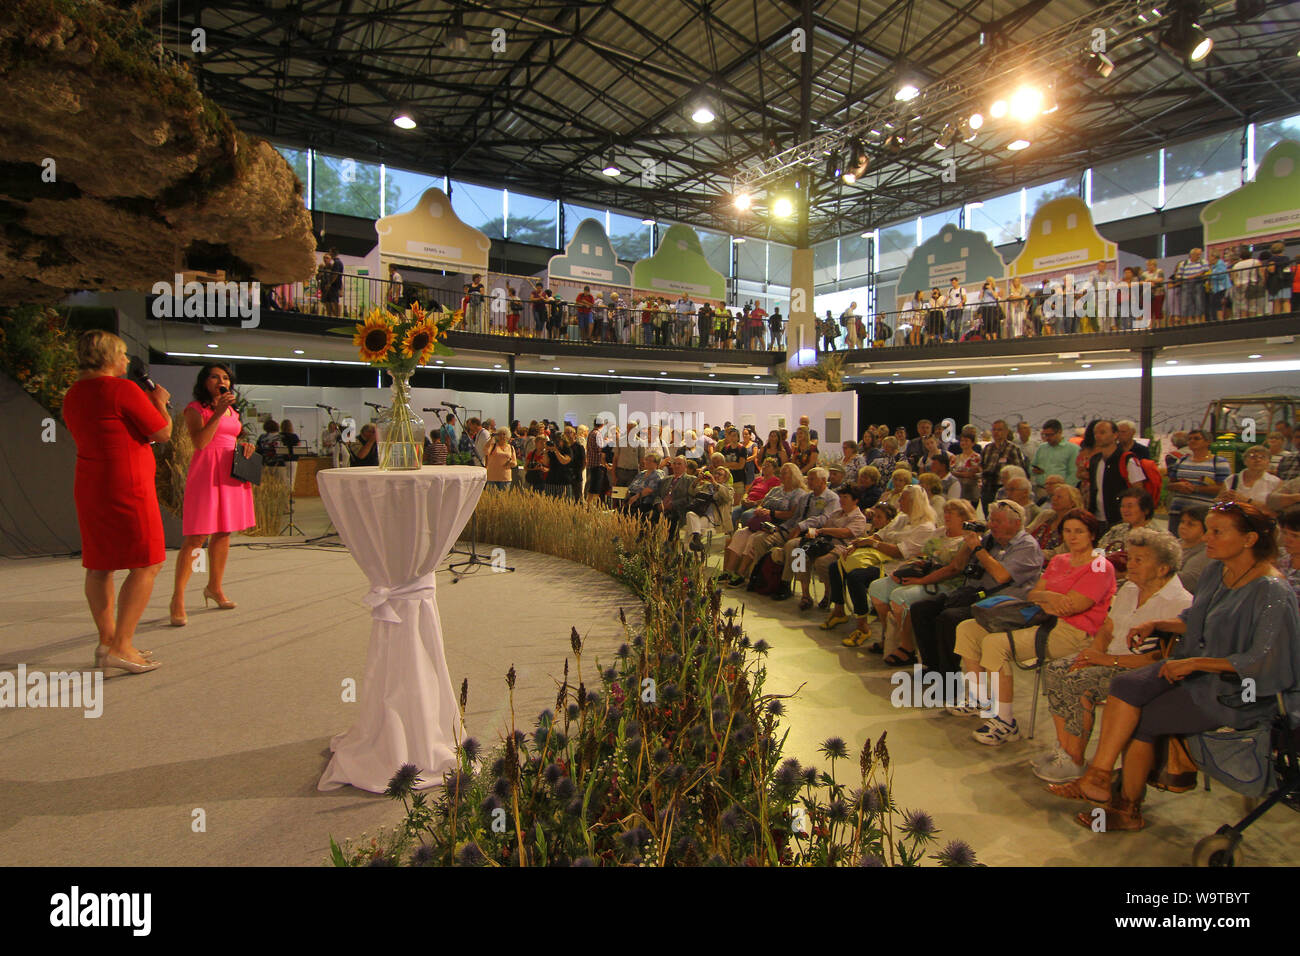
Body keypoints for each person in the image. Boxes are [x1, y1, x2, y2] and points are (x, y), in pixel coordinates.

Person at [1049, 502, 1300, 832]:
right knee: (1123, 686)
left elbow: (1262, 660)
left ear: (1249, 539)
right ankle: (1099, 775)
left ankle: (1126, 807)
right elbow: (1197, 620)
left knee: (1144, 717)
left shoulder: (1272, 590)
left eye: (1216, 532)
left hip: (1237, 689)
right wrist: (1158, 625)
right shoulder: (1216, 570)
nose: (1205, 538)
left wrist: (1195, 662)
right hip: (1194, 666)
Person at [1033, 528, 1193, 782]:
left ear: (1162, 568)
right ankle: (1065, 750)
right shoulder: (1130, 588)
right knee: (1056, 670)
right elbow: (1108, 628)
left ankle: (1074, 758)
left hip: (1142, 672)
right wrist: (1093, 652)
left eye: (1139, 560)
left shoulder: (1180, 602)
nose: (1131, 564)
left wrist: (1106, 660)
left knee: (1078, 681)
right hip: (1109, 659)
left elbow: (1161, 658)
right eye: (1131, 558)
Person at [950, 509, 1116, 746]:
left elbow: (1074, 607)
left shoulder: (1100, 565)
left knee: (995, 644)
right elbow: (1033, 594)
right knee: (967, 628)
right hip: (1039, 618)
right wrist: (1050, 597)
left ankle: (1006, 722)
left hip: (1073, 632)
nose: (1073, 536)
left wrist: (1047, 600)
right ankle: (979, 698)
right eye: (1067, 531)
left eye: (1079, 531)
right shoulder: (1059, 561)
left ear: (1092, 534)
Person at [62, 331, 171, 673]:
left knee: (99, 564)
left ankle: (107, 641)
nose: (127, 361)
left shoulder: (73, 394)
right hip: (128, 483)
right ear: (109, 357)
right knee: (148, 562)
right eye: (123, 355)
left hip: (91, 483)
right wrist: (161, 403)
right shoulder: (122, 389)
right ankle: (122, 645)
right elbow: (163, 433)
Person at [909, 500, 1045, 687]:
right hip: (974, 595)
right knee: (921, 609)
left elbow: (1001, 575)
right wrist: (969, 543)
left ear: (1016, 523)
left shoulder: (1027, 546)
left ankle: (949, 681)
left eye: (998, 521)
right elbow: (959, 565)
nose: (992, 525)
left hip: (1004, 605)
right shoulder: (990, 540)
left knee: (949, 618)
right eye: (991, 520)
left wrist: (978, 549)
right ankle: (934, 668)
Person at [170, 363, 257, 627]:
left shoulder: (232, 409)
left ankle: (214, 588)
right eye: (215, 377)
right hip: (206, 473)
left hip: (230, 472)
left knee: (223, 532)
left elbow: (228, 438)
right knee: (196, 537)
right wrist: (217, 414)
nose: (222, 381)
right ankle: (178, 598)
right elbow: (200, 442)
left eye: (226, 378)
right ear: (205, 382)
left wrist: (244, 445)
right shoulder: (195, 409)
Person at [870, 498, 980, 666]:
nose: (947, 515)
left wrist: (921, 581)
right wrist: (907, 568)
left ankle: (907, 648)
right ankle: (890, 636)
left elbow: (953, 569)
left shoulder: (968, 540)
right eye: (946, 512)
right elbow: (923, 554)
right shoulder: (939, 533)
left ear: (963, 517)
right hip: (925, 574)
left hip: (947, 584)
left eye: (952, 513)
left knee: (900, 597)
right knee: (878, 588)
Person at [824, 486, 937, 649]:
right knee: (835, 566)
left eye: (903, 498)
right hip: (878, 558)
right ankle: (839, 610)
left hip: (897, 566)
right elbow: (880, 534)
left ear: (914, 502)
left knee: (856, 577)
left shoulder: (925, 527)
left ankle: (862, 626)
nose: (899, 501)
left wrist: (873, 543)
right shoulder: (902, 518)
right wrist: (857, 544)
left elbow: (900, 552)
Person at [1165, 428, 1231, 532]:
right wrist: (1178, 486)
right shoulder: (1181, 460)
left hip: (1203, 514)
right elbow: (1169, 484)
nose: (1192, 441)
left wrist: (1195, 488)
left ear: (1208, 442)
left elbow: (1222, 488)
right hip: (1178, 512)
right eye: (1189, 439)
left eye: (1196, 438)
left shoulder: (1219, 462)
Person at [1086, 419, 1146, 530]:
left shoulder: (1127, 460)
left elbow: (1138, 490)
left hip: (1120, 519)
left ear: (1115, 435)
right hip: (1097, 519)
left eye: (1102, 432)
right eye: (1095, 433)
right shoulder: (1095, 460)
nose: (1098, 436)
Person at [1026, 482, 1087, 564]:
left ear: (1072, 503)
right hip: (1029, 558)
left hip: (1056, 564)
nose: (1054, 499)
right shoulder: (1046, 515)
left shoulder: (1077, 524)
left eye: (1059, 497)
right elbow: (1026, 533)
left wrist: (1033, 553)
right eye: (1053, 496)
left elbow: (1062, 552)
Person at [978, 419, 1026, 517]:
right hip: (987, 488)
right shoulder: (987, 448)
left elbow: (1019, 471)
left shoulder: (1012, 448)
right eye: (994, 430)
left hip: (1004, 489)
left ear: (1006, 432)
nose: (996, 432)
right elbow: (981, 466)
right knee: (989, 517)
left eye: (999, 430)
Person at [1219, 444, 1280, 516]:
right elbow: (1218, 502)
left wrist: (1245, 500)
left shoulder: (1276, 482)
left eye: (1262, 457)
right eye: (1253, 457)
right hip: (1234, 519)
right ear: (1244, 461)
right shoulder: (1231, 479)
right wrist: (1223, 501)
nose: (1258, 460)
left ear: (1268, 462)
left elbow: (1275, 510)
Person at [1030, 419, 1077, 500]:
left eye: (1050, 435)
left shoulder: (1073, 449)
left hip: (1062, 493)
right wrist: (1034, 470)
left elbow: (1074, 475)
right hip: (1041, 491)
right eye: (1045, 435)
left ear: (1060, 432)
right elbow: (1031, 468)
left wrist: (1064, 491)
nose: (1047, 438)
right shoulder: (1042, 448)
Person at [1176, 504, 1211, 593]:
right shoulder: (1173, 543)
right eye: (1182, 522)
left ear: (1206, 528)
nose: (1183, 526)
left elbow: (1187, 581)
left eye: (1190, 524)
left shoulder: (1206, 552)